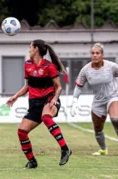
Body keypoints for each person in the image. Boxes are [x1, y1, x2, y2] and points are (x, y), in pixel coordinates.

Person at [6, 39, 72, 169]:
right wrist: (15, 96)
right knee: (22, 132)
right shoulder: (27, 65)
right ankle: (32, 161)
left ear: (36, 49)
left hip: (49, 99)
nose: (29, 49)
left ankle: (65, 149)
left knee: (46, 118)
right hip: (34, 103)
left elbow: (58, 87)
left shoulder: (49, 67)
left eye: (30, 47)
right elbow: (27, 86)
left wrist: (55, 99)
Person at [70, 43, 118, 155]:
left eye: (97, 53)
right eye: (92, 53)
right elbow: (79, 86)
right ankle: (103, 150)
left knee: (115, 119)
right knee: (98, 129)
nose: (94, 55)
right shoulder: (85, 70)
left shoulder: (111, 66)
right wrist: (74, 101)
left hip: (114, 96)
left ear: (102, 55)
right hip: (98, 101)